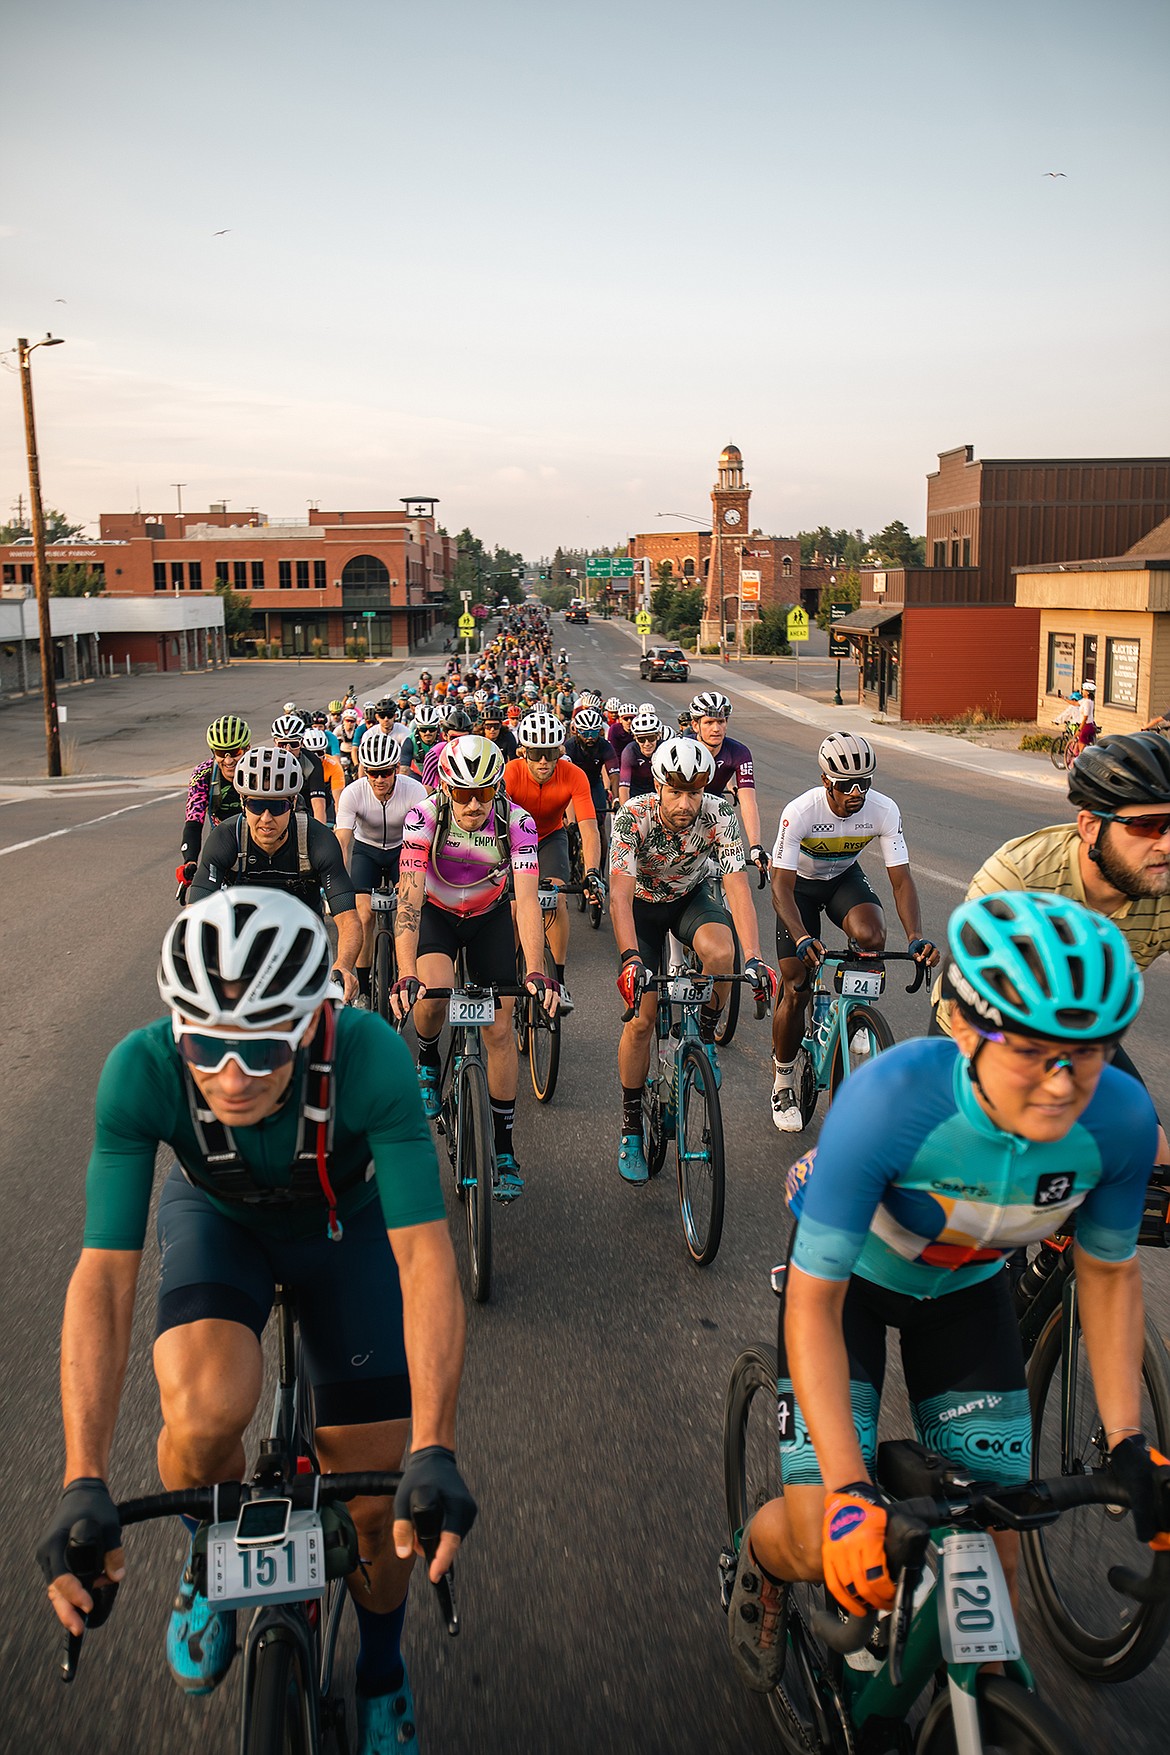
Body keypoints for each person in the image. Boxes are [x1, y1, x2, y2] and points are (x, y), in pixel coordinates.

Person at [35, 889, 475, 1753]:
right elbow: (103, 1280)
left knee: (385, 1494)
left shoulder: (372, 1057)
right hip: (222, 1223)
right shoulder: (140, 1068)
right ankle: (206, 1557)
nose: (231, 1075)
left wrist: (437, 1445)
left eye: (264, 1045)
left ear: (315, 1021)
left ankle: (382, 1667)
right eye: (206, 1045)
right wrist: (82, 1476)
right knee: (198, 1415)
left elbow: (426, 1260)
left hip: (346, 1227)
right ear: (175, 1026)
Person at [726, 891, 1169, 1694]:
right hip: (850, 1287)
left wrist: (1129, 1438)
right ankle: (757, 1561)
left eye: (1092, 1049)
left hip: (967, 1291)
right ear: (963, 1027)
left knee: (992, 1551)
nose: (1065, 1082)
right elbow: (815, 1305)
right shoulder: (892, 1100)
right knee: (822, 1532)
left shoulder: (1122, 1120)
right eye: (1033, 1049)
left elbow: (1107, 1274)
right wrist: (854, 1493)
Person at [932, 730, 1170, 1161]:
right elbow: (962, 1004)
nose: (1166, 844)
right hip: (990, 1030)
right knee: (970, 1165)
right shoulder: (1017, 874)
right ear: (1091, 826)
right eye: (1146, 825)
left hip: (1082, 1033)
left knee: (1154, 1152)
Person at [392, 736, 560, 1200]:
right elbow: (408, 896)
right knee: (432, 993)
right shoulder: (423, 817)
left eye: (482, 793)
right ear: (445, 786)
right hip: (436, 915)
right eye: (462, 793)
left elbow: (526, 899)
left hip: (487, 919)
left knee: (500, 1029)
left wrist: (535, 969)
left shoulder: (517, 822)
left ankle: (504, 1150)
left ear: (496, 790)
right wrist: (405, 971)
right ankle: (428, 1058)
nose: (471, 804)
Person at [608, 737, 776, 1184]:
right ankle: (629, 1126)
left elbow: (737, 885)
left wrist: (756, 957)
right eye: (677, 791)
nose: (686, 803)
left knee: (723, 953)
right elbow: (620, 894)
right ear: (659, 784)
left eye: (695, 792)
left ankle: (703, 1032)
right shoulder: (633, 816)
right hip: (641, 906)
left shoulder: (719, 813)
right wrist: (630, 959)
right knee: (641, 1022)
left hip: (689, 897)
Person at [769, 732, 938, 1133]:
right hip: (799, 889)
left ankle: (851, 1013)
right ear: (827, 781)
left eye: (866, 782)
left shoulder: (884, 810)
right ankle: (784, 1080)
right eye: (846, 785)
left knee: (872, 935)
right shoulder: (801, 811)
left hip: (843, 878)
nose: (857, 792)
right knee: (796, 985)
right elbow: (780, 887)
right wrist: (801, 937)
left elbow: (901, 881)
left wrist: (915, 935)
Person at [188, 747, 362, 1000]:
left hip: (303, 939)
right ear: (242, 802)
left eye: (277, 806)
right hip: (241, 943)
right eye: (256, 805)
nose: (266, 818)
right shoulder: (225, 837)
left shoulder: (318, 839)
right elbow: (194, 915)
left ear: (292, 803)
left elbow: (348, 917)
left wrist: (343, 965)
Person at [504, 711, 605, 992]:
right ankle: (510, 979)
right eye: (536, 754)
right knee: (513, 908)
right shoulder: (509, 773)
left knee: (556, 900)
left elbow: (589, 828)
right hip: (513, 842)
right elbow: (497, 824)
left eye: (550, 753)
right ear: (523, 752)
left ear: (561, 750)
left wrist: (593, 872)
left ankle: (558, 981)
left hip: (550, 837)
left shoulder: (574, 775)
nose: (544, 762)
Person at [335, 732, 428, 1008]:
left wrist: (414, 882)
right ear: (364, 770)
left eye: (385, 772)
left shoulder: (414, 790)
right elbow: (342, 839)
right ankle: (363, 989)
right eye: (373, 773)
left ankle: (404, 972)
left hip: (404, 849)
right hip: (367, 851)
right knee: (364, 915)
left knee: (407, 909)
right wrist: (337, 881)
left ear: (396, 769)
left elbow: (422, 839)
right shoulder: (353, 793)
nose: (379, 779)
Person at [689, 691, 769, 880]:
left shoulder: (739, 752)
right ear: (695, 725)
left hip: (715, 807)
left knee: (733, 871)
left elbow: (748, 802)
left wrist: (755, 846)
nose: (716, 728)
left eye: (721, 722)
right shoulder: (686, 748)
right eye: (709, 722)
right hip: (685, 809)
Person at [178, 715, 250, 889]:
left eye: (235, 753)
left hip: (260, 839)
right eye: (220, 753)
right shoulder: (203, 774)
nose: (228, 761)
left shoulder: (262, 769)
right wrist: (190, 860)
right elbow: (194, 820)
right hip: (222, 840)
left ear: (247, 748)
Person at [272, 714, 330, 824]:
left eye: (294, 744)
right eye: (282, 745)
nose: (288, 750)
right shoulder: (266, 761)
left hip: (306, 807)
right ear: (275, 743)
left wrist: (321, 835)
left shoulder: (313, 762)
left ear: (302, 742)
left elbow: (318, 805)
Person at [618, 708, 663, 805]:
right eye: (641, 739)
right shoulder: (630, 751)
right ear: (635, 739)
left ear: (658, 736)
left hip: (658, 791)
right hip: (636, 792)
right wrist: (625, 812)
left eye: (651, 738)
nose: (647, 744)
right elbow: (624, 786)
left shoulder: (664, 749)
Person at [301, 726, 346, 822]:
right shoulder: (297, 763)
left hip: (323, 799)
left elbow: (338, 801)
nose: (316, 758)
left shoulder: (333, 765)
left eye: (320, 752)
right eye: (312, 753)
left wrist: (340, 826)